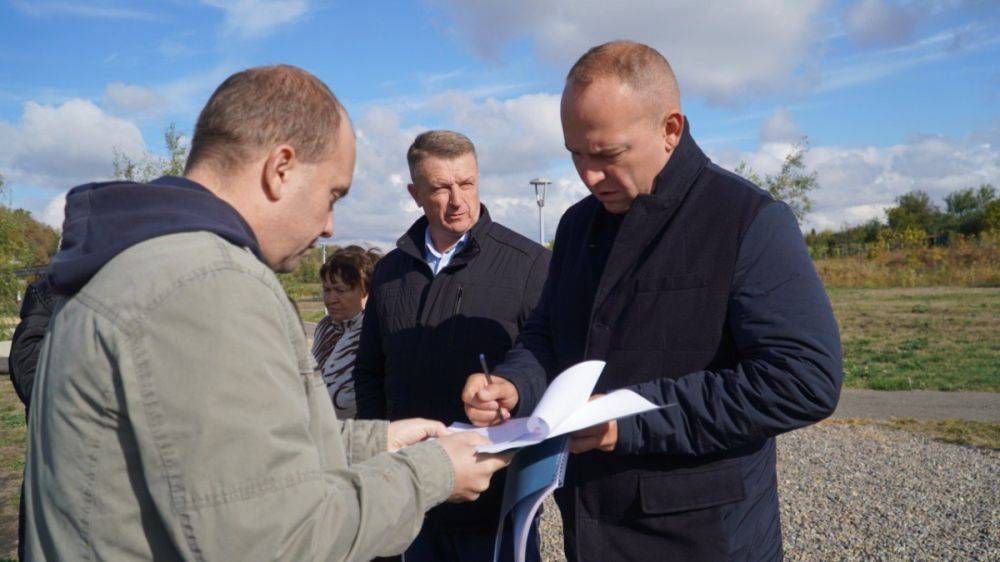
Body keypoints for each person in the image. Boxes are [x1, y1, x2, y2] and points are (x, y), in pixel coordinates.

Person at [22, 65, 510, 561]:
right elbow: (276, 540)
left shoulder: (147, 261)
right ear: (280, 169)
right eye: (332, 194)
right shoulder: (206, 285)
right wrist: (433, 472)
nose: (328, 225)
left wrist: (376, 441)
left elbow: (225, 460)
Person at [462, 41, 843, 561]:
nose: (589, 176)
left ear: (670, 129)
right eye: (576, 154)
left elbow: (802, 379)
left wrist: (626, 424)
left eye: (607, 155)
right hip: (591, 530)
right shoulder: (577, 226)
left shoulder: (745, 219)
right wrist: (515, 383)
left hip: (704, 539)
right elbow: (548, 334)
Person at [354, 130, 550, 562]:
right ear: (415, 193)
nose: (458, 200)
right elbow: (369, 370)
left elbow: (548, 358)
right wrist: (378, 450)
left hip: (494, 496)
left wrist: (513, 393)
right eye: (441, 188)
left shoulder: (529, 264)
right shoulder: (389, 272)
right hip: (412, 495)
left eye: (467, 183)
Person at [312, 245, 381, 418]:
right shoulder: (325, 327)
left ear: (366, 292)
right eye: (327, 290)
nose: (330, 299)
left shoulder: (376, 333)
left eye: (340, 290)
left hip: (358, 437)